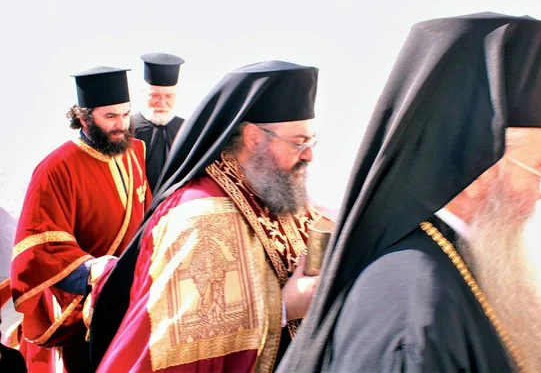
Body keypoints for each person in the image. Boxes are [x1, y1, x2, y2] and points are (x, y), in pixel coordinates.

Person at [278, 13, 541, 372]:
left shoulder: (453, 264)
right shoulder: (412, 307)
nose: (539, 194)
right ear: (480, 171)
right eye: (537, 171)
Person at [89, 61, 324, 372]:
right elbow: (176, 349)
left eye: (311, 142)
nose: (308, 154)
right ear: (254, 138)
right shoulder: (202, 218)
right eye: (298, 142)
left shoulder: (274, 191)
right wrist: (283, 307)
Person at [10, 66, 152, 372]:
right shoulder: (55, 168)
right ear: (85, 117)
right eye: (110, 117)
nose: (121, 125)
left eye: (126, 114)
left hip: (135, 297)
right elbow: (40, 248)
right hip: (85, 309)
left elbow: (146, 220)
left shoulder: (135, 152)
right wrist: (94, 271)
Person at [131, 52, 185, 192]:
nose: (162, 102)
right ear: (143, 94)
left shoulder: (187, 129)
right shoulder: (126, 129)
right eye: (155, 95)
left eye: (168, 96)